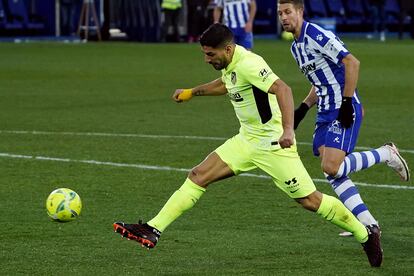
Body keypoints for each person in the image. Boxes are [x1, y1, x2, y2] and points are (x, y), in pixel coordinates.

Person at [113, 23, 383, 267]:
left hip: (272, 145)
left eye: (210, 55)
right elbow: (227, 84)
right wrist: (193, 92)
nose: (207, 59)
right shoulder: (232, 65)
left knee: (310, 201)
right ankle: (153, 228)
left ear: (228, 49)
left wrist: (288, 130)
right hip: (246, 139)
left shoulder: (249, 63)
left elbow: (283, 89)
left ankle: (365, 234)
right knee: (197, 175)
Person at [277, 0, 410, 237]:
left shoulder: (316, 34)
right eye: (280, 13)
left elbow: (352, 62)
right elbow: (319, 81)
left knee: (331, 165)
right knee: (331, 169)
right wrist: (303, 108)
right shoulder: (295, 48)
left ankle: (386, 154)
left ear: (300, 11)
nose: (283, 17)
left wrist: (348, 102)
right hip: (325, 111)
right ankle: (369, 223)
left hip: (342, 107)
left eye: (288, 12)